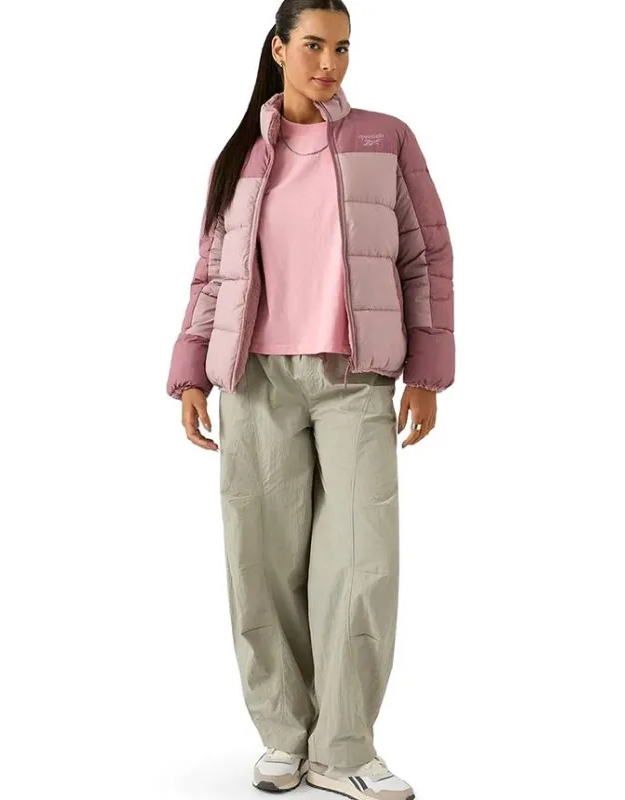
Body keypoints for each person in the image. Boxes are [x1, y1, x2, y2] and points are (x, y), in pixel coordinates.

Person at [166, 2, 454, 797]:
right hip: (255, 380)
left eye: (343, 48)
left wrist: (427, 371)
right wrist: (191, 369)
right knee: (260, 562)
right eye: (315, 45)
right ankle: (284, 735)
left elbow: (426, 255)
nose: (330, 63)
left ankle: (345, 747)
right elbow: (211, 273)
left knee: (361, 562)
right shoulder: (240, 156)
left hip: (355, 378)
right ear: (279, 49)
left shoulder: (385, 139)